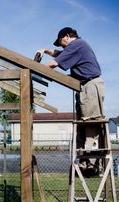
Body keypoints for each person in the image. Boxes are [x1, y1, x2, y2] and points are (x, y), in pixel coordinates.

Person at [36, 27, 105, 171]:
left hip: (90, 86)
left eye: (61, 42)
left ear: (67, 36)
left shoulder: (77, 44)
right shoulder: (76, 47)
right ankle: (83, 163)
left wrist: (34, 68)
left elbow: (55, 62)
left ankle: (91, 165)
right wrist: (44, 50)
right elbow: (60, 55)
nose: (61, 45)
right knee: (82, 125)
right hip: (85, 86)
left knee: (90, 124)